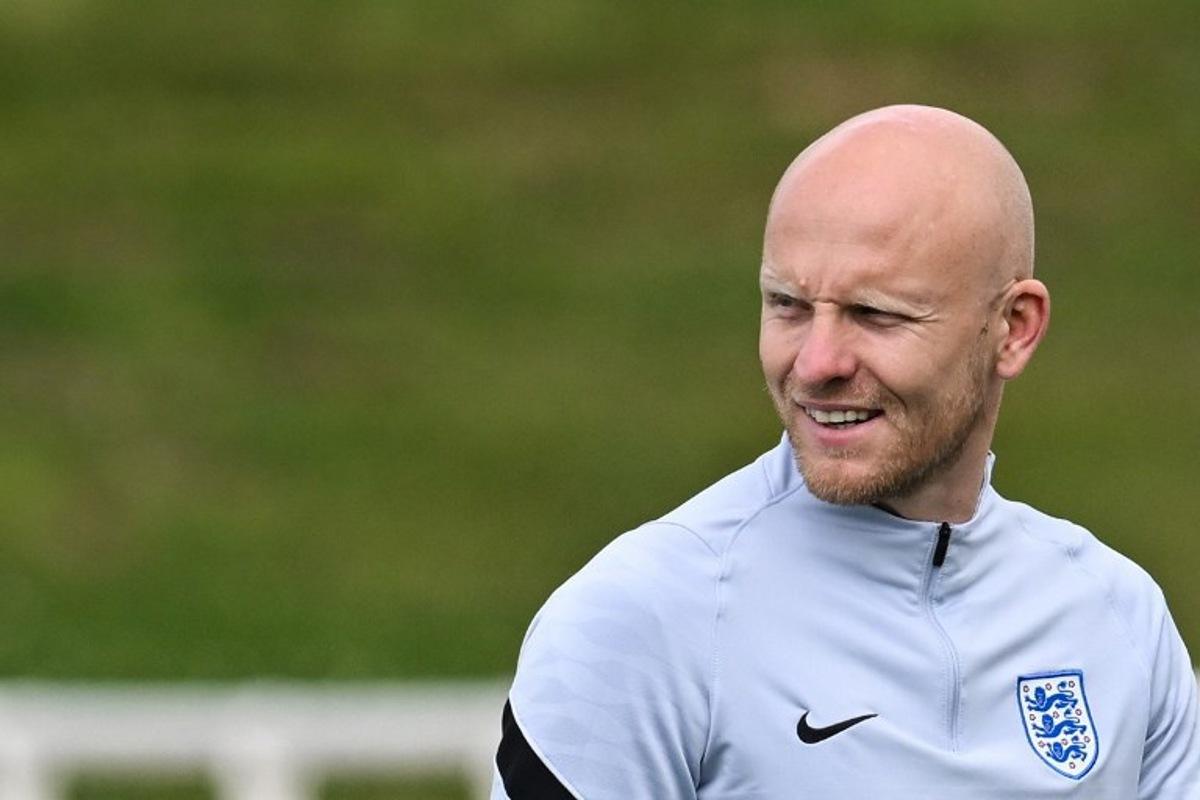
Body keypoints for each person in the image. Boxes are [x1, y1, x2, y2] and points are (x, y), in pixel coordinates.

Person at [491, 105, 1199, 799]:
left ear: (1014, 328)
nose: (816, 362)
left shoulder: (1116, 616)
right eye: (788, 305)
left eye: (877, 314)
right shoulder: (643, 618)